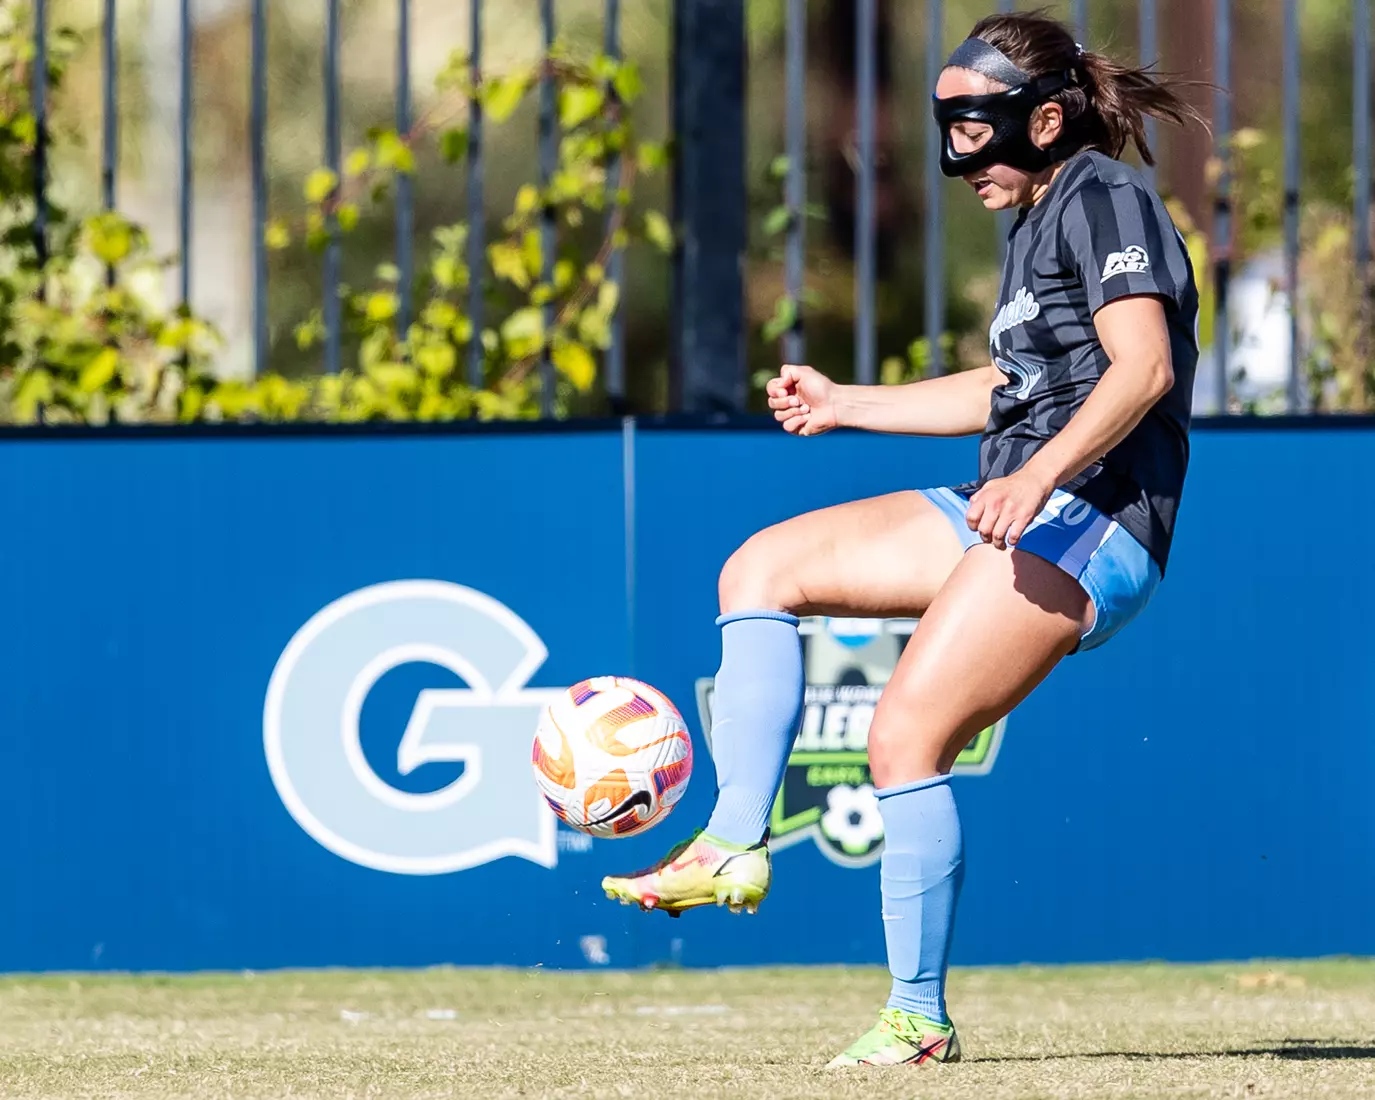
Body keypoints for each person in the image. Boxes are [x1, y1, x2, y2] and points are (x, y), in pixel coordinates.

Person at [603, 9, 1203, 1068]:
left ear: (1047, 118)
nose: (953, 158)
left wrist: (1034, 473)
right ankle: (734, 840)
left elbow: (1142, 369)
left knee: (901, 738)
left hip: (1095, 518)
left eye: (973, 131)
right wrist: (847, 401)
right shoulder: (1036, 221)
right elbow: (1011, 385)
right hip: (1021, 495)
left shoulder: (1106, 195)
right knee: (761, 567)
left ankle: (917, 1018)